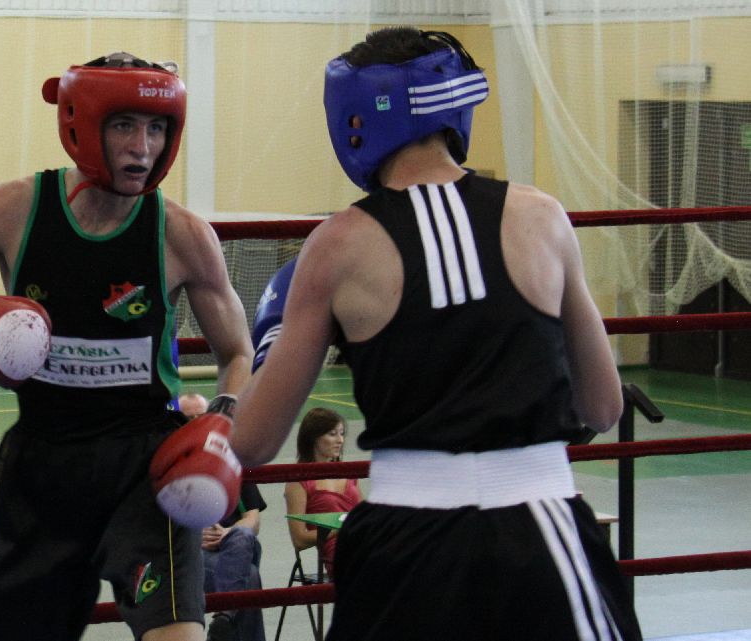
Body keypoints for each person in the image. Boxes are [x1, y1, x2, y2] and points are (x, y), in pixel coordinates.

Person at [230, 27, 641, 641]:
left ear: (352, 120)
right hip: (543, 532)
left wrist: (256, 362)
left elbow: (254, 441)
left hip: (405, 543)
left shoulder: (336, 246)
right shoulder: (542, 217)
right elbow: (603, 407)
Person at [0, 52, 253, 641]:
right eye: (124, 126)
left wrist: (222, 419)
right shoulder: (13, 210)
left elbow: (238, 353)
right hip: (42, 466)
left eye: (157, 127)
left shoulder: (183, 234)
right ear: (81, 126)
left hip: (147, 468)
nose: (143, 147)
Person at [284, 408, 360, 578]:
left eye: (342, 434)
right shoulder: (299, 481)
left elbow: (363, 516)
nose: (340, 440)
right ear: (314, 437)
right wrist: (340, 528)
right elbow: (299, 539)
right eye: (332, 434)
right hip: (339, 553)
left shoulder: (350, 473)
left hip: (362, 541)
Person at [201, 482, 267, 641]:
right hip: (195, 551)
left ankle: (223, 616)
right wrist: (192, 534)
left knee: (243, 534)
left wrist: (228, 533)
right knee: (249, 576)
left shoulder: (237, 469)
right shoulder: (178, 470)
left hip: (235, 547)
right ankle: (224, 618)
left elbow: (253, 520)